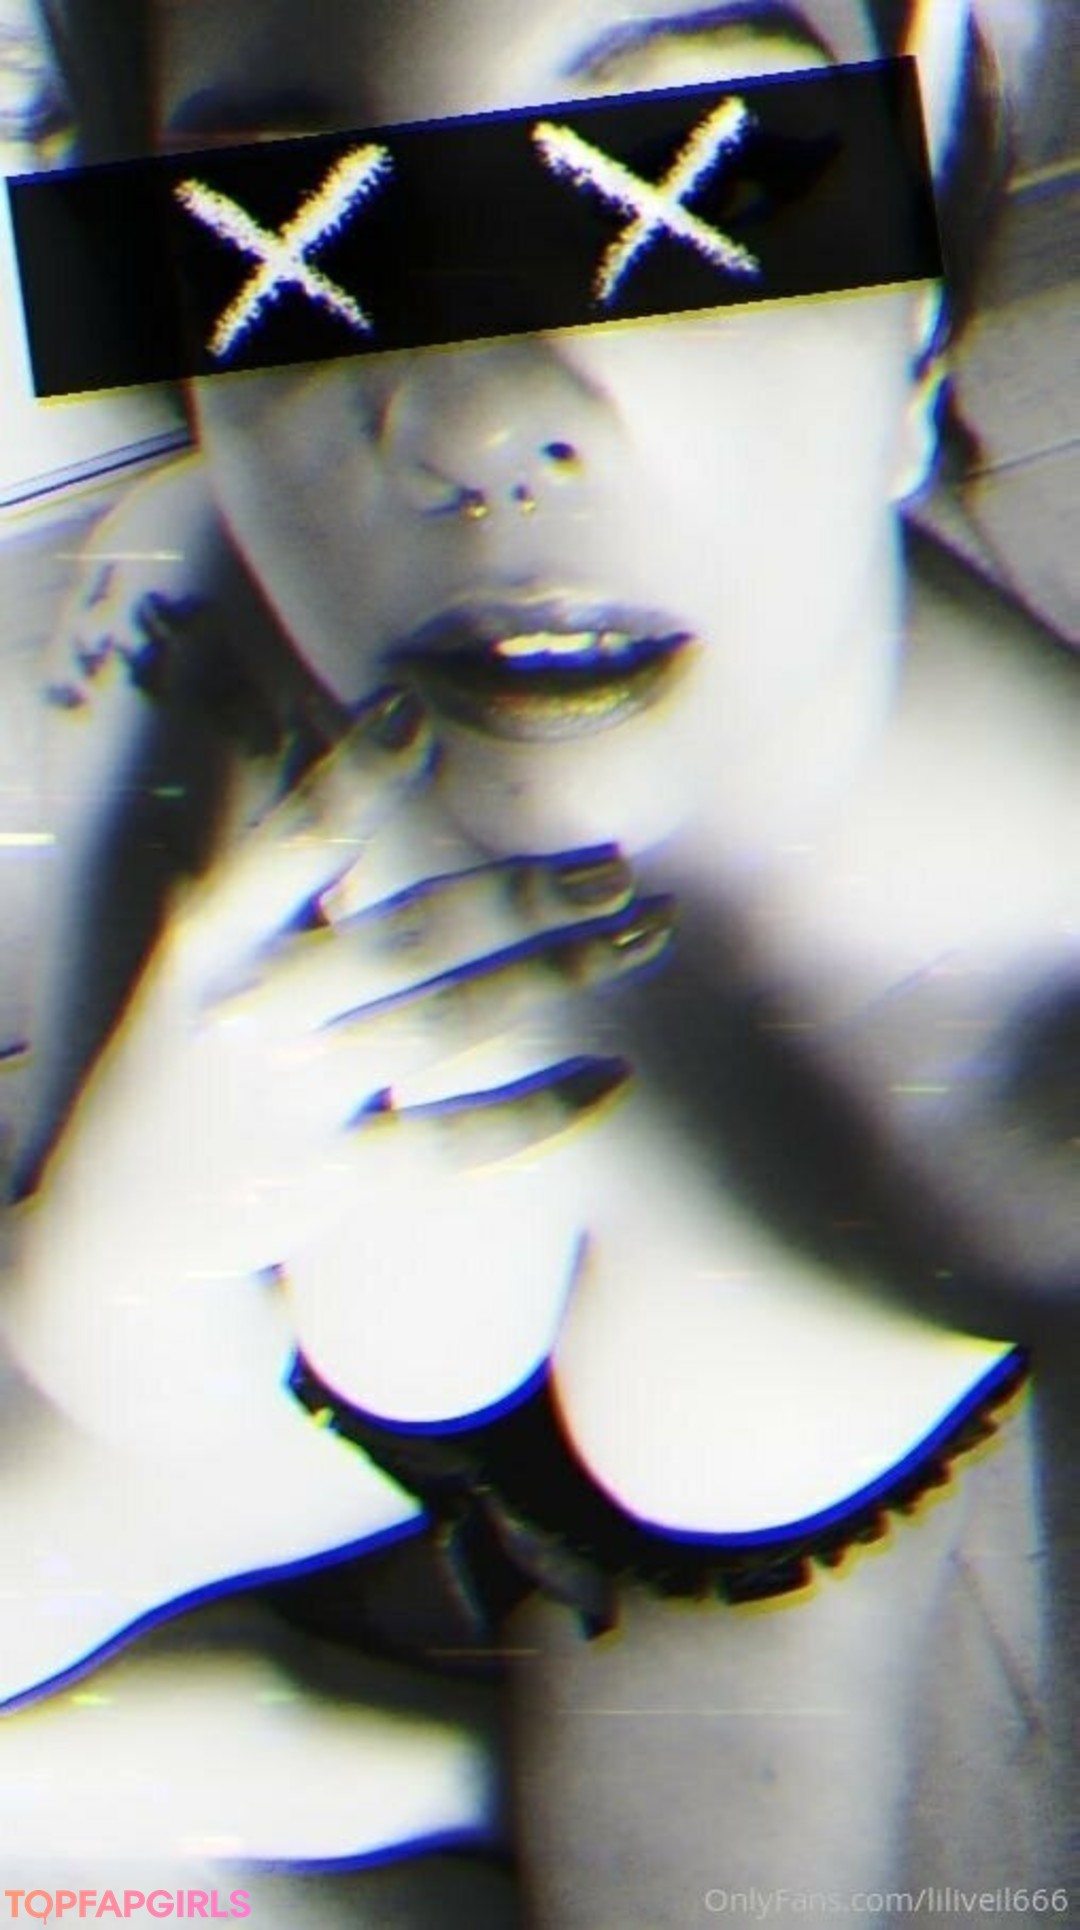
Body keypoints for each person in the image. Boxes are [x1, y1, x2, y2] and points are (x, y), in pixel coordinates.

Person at [1, 1, 1076, 1923]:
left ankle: (391, 1754)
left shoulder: (1035, 1039)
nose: (473, 422)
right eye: (290, 220)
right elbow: (118, 1384)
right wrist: (132, 1239)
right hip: (320, 1404)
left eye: (687, 183)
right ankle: (366, 1746)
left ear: (919, 235)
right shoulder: (285, 657)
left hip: (712, 1555)